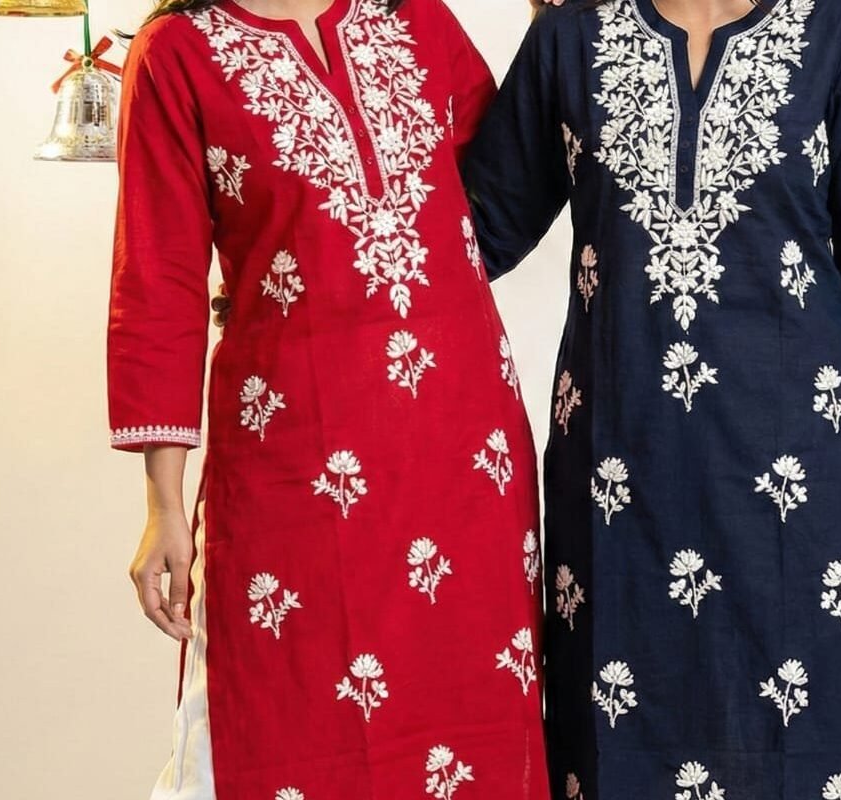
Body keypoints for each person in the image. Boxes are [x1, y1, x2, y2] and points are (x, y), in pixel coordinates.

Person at [462, 0, 841, 797]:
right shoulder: (571, 37)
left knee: (820, 729)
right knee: (623, 736)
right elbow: (473, 229)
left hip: (801, 467)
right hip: (621, 473)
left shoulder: (837, 31)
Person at [108, 1, 550, 797]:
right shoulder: (177, 53)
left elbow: (503, 197)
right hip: (295, 462)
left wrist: (558, 31)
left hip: (460, 453)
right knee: (284, 714)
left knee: (470, 716)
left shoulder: (416, 19)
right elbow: (158, 281)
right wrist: (163, 504)